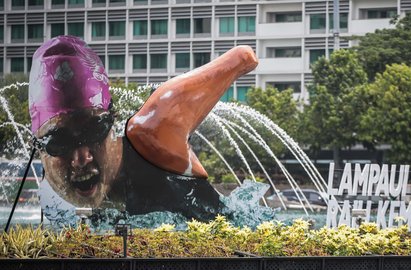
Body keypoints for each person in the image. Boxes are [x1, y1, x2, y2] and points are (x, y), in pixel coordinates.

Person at [30, 36, 258, 221]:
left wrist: (241, 61)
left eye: (94, 131)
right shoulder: (60, 200)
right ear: (38, 146)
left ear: (112, 120)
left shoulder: (153, 134)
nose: (82, 158)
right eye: (58, 143)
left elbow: (242, 57)